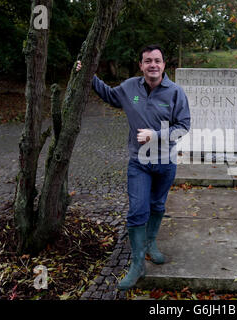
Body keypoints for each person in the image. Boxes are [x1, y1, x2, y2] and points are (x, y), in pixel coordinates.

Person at [76, 45, 190, 290]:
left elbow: (183, 127)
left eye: (157, 61)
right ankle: (138, 264)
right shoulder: (129, 88)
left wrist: (156, 135)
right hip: (139, 163)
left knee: (157, 205)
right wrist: (88, 74)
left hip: (165, 163)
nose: (153, 65)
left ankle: (150, 244)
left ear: (163, 65)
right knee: (137, 210)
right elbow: (108, 95)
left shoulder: (175, 92)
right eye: (147, 60)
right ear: (141, 65)